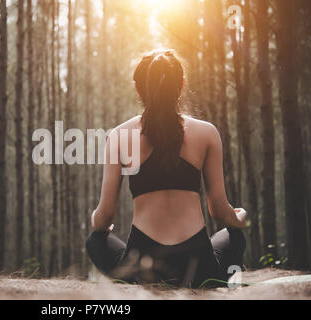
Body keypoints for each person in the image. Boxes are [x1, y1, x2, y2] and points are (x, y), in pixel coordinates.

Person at [85, 50, 246, 288]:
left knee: (95, 241)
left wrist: (96, 221)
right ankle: (207, 276)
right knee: (235, 237)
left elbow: (105, 215)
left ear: (140, 90)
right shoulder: (207, 132)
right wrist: (237, 218)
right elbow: (219, 210)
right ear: (181, 85)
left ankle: (138, 279)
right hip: (198, 263)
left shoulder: (120, 136)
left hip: (142, 264)